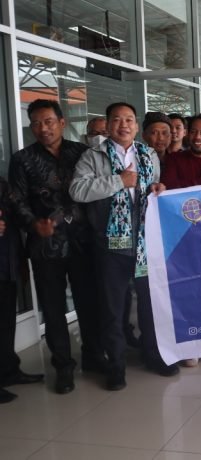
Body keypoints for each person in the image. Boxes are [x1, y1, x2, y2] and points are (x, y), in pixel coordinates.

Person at [70, 102, 176, 392]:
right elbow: (77, 190)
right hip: (110, 246)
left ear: (136, 126)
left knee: (150, 305)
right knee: (112, 309)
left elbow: (153, 185)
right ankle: (115, 366)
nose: (123, 125)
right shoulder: (93, 155)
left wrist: (158, 188)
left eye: (129, 119)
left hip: (145, 243)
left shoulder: (147, 154)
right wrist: (118, 181)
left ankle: (154, 355)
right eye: (117, 120)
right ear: (108, 125)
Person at [9, 99, 105, 395]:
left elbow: (96, 189)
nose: (43, 128)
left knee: (88, 302)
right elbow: (16, 199)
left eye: (48, 121)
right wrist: (32, 224)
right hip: (46, 244)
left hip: (82, 240)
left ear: (62, 122)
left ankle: (93, 356)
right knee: (52, 309)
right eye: (36, 123)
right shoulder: (23, 159)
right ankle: (63, 366)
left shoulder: (83, 153)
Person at [0, 175, 44, 403]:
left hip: (7, 261)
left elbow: (16, 215)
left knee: (6, 322)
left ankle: (8, 371)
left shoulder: (2, 183)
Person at [162, 113, 201, 188]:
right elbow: (167, 188)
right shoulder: (174, 159)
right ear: (188, 134)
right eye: (193, 132)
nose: (197, 137)